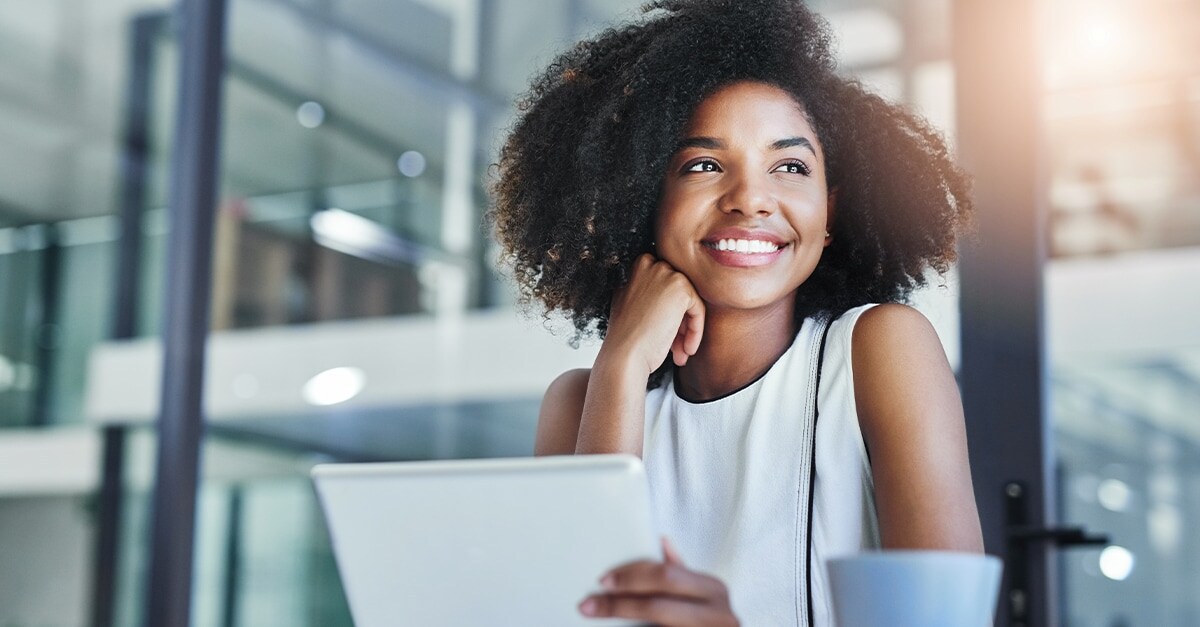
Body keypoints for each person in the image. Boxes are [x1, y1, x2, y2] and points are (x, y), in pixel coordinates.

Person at [489, 0, 984, 625]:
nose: (752, 198)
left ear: (828, 215)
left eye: (790, 166)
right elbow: (588, 615)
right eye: (704, 165)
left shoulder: (879, 349)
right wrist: (620, 365)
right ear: (640, 200)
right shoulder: (581, 404)